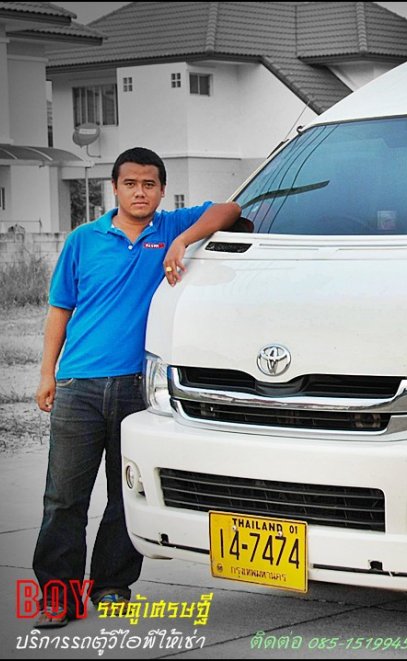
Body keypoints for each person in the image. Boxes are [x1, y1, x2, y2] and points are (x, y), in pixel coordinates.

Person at [32, 147, 241, 628]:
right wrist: (47, 374)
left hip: (137, 388)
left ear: (162, 191)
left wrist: (181, 241)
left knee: (124, 494)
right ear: (115, 188)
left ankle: (111, 585)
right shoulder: (83, 240)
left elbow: (230, 209)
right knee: (63, 498)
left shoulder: (169, 227)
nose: (140, 192)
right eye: (130, 184)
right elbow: (60, 310)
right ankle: (58, 596)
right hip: (79, 386)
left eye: (149, 184)